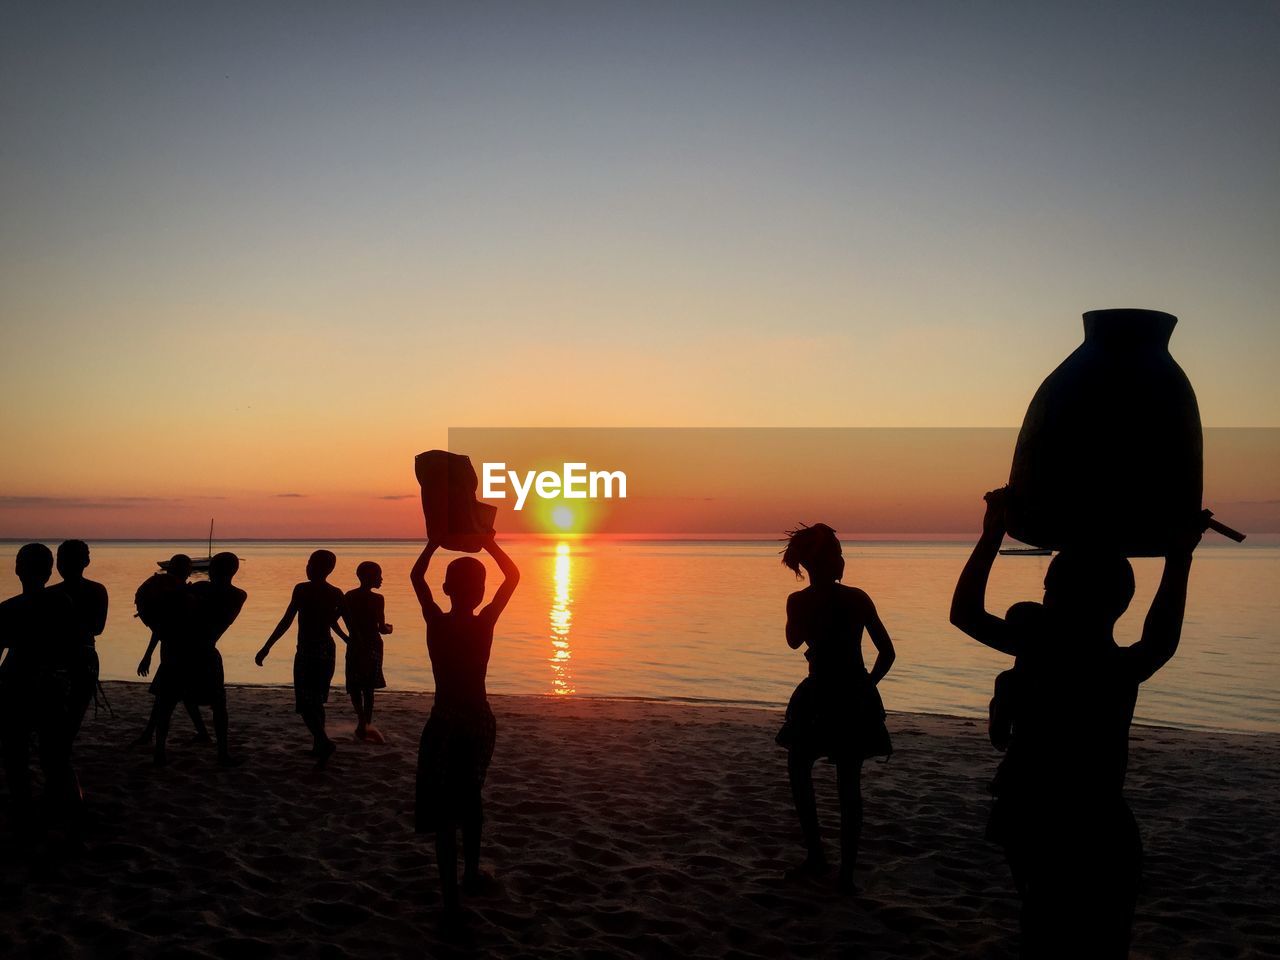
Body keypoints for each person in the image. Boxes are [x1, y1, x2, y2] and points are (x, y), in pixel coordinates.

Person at [950, 487, 1205, 960]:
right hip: (1097, 824)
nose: (1044, 599)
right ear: (1120, 605)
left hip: (1037, 814)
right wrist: (1179, 557)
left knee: (1046, 929)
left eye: (1049, 590)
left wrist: (991, 536)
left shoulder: (1040, 653)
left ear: (1058, 599)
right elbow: (1162, 637)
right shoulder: (1119, 668)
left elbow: (964, 614)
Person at [776, 523, 895, 890]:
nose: (842, 559)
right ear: (823, 562)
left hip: (818, 695)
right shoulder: (857, 598)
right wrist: (867, 686)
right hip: (854, 697)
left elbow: (794, 642)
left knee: (800, 769)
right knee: (848, 785)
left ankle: (818, 857)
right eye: (837, 552)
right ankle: (843, 873)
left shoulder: (798, 601)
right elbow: (887, 653)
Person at [410, 534, 519, 911]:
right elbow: (514, 577)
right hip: (477, 719)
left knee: (444, 809)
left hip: (445, 719)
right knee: (470, 798)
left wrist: (433, 543)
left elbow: (416, 578)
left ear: (446, 589)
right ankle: (470, 872)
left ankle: (451, 892)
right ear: (480, 593)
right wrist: (487, 543)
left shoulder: (435, 621)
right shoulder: (485, 620)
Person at [0, 543, 82, 841]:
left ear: (18, 569)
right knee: (56, 755)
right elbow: (72, 647)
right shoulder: (62, 602)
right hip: (52, 684)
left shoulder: (8, 609)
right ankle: (70, 811)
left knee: (16, 755)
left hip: (17, 684)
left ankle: (25, 813)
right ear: (49, 571)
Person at [255, 549, 349, 766]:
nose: (307, 567)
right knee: (315, 701)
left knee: (306, 704)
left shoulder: (303, 590)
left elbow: (286, 620)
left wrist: (267, 646)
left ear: (323, 569)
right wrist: (350, 641)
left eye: (311, 563)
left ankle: (323, 741)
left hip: (310, 651)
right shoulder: (335, 592)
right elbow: (345, 622)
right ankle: (319, 744)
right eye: (308, 563)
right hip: (326, 651)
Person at [154, 552, 246, 767]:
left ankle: (160, 752)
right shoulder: (236, 594)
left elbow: (179, 599)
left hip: (190, 649)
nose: (211, 570)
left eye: (214, 566)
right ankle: (221, 754)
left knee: (168, 702)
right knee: (213, 704)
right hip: (200, 649)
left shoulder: (209, 590)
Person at [134, 555, 209, 748]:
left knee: (169, 696)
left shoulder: (170, 591)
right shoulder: (180, 594)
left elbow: (160, 626)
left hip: (173, 650)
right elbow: (163, 625)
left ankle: (151, 737)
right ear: (186, 570)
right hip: (180, 650)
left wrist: (148, 655)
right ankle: (155, 739)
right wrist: (148, 655)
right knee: (172, 696)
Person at [48, 539, 108, 738]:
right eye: (61, 560)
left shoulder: (96, 590)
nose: (64, 565)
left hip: (80, 660)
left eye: (68, 560)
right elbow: (96, 628)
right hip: (64, 659)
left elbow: (97, 628)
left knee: (69, 717)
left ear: (85, 562)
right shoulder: (51, 594)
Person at [344, 561, 392, 742]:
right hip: (372, 645)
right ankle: (366, 724)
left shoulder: (349, 596)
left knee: (355, 684)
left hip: (355, 645)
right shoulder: (378, 599)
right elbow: (381, 628)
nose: (381, 579)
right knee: (368, 687)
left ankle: (362, 720)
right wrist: (390, 629)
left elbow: (336, 620)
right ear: (369, 577)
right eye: (378, 575)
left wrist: (347, 638)